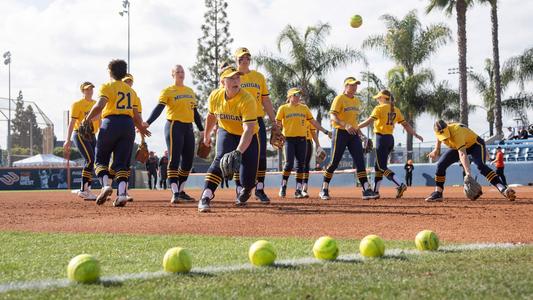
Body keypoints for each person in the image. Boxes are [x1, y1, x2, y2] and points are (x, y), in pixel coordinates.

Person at [84, 59, 150, 207]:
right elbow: (136, 115)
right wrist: (141, 128)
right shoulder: (131, 91)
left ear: (110, 72)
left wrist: (87, 119)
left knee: (100, 160)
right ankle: (121, 195)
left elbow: (100, 105)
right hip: (127, 125)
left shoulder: (107, 86)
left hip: (110, 123)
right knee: (121, 163)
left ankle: (105, 185)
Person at [198, 65, 259, 212]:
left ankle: (247, 189)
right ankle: (205, 196)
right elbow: (211, 116)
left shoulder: (247, 99)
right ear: (222, 82)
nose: (235, 80)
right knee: (220, 160)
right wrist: (206, 135)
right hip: (226, 131)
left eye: (237, 77)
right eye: (231, 78)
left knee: (248, 180)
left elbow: (249, 129)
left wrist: (238, 151)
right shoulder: (215, 96)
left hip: (247, 136)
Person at [143, 65, 204, 203]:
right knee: (174, 159)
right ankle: (175, 192)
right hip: (174, 126)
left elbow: (194, 113)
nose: (181, 73)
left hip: (189, 128)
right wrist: (148, 122)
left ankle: (181, 191)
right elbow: (159, 108)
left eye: (182, 71)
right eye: (177, 72)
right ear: (172, 75)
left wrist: (201, 129)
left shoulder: (190, 91)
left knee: (188, 162)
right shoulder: (168, 91)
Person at [425, 120, 516, 202]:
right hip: (457, 146)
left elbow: (462, 154)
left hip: (475, 145)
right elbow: (439, 137)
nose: (444, 138)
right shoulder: (440, 133)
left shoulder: (456, 131)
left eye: (445, 135)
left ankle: (503, 188)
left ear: (447, 128)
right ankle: (438, 193)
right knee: (441, 164)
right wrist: (436, 149)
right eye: (442, 136)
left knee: (480, 166)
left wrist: (468, 173)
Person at [319, 77, 378, 200]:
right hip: (340, 132)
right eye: (352, 85)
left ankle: (366, 189)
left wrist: (361, 135)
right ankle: (324, 188)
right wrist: (344, 125)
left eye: (356, 85)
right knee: (334, 162)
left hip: (353, 134)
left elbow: (354, 121)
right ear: (346, 86)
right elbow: (332, 115)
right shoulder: (339, 98)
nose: (354, 87)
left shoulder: (356, 100)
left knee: (360, 161)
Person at [358, 89, 423, 198]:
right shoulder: (396, 109)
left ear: (384, 98)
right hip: (390, 139)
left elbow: (369, 121)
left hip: (381, 139)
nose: (378, 99)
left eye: (379, 98)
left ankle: (400, 184)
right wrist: (415, 134)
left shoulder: (379, 108)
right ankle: (375, 191)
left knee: (381, 166)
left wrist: (357, 126)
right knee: (378, 166)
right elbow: (406, 125)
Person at [233, 47, 278, 204]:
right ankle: (240, 190)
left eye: (247, 57)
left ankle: (259, 189)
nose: (244, 60)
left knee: (261, 156)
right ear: (236, 60)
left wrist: (274, 122)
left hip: (257, 120)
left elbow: (266, 100)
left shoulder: (258, 77)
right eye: (241, 58)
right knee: (239, 155)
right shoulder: (233, 76)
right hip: (238, 121)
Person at [276, 88, 331, 198]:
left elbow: (313, 122)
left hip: (302, 140)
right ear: (290, 97)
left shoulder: (304, 108)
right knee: (288, 164)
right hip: (289, 140)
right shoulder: (283, 108)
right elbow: (277, 124)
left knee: (301, 165)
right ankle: (283, 186)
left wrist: (325, 131)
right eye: (295, 95)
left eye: (299, 95)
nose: (298, 97)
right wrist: (277, 135)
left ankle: (298, 190)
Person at [63, 81, 100, 200]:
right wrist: (67, 139)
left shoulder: (96, 104)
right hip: (80, 133)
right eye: (87, 89)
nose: (90, 91)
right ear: (83, 91)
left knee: (91, 161)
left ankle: (86, 189)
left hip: (92, 135)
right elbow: (72, 122)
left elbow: (101, 118)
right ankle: (84, 190)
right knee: (90, 159)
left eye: (91, 89)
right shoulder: (77, 104)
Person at [302, 120, 322, 198]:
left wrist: (318, 144)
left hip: (308, 142)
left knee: (306, 164)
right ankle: (297, 187)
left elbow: (313, 133)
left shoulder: (309, 119)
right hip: (295, 141)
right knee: (298, 164)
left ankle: (304, 187)